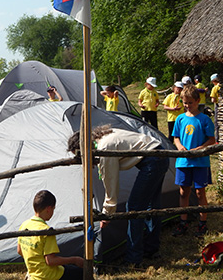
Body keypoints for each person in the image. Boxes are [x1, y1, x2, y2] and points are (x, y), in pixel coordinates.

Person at [67, 126, 169, 265]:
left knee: (134, 208)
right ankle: (151, 249)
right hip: (159, 154)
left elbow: (111, 183)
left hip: (153, 159)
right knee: (151, 205)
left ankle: (133, 259)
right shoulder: (102, 137)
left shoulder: (104, 149)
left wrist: (107, 214)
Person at [171, 84, 215, 237]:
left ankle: (202, 223)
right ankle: (183, 221)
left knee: (199, 192)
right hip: (183, 161)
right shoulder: (180, 119)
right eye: (185, 103)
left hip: (200, 162)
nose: (187, 106)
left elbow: (212, 140)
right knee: (183, 192)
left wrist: (199, 149)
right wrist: (180, 147)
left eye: (190, 102)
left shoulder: (204, 119)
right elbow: (176, 137)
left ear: (197, 101)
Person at [17, 190, 83, 280]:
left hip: (33, 275)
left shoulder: (24, 225)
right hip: (49, 276)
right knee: (80, 273)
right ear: (48, 209)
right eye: (53, 209)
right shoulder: (47, 231)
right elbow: (51, 261)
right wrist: (74, 260)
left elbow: (19, 250)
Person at [210, 73, 220, 143]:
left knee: (217, 123)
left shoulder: (215, 88)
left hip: (218, 105)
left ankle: (217, 140)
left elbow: (213, 100)